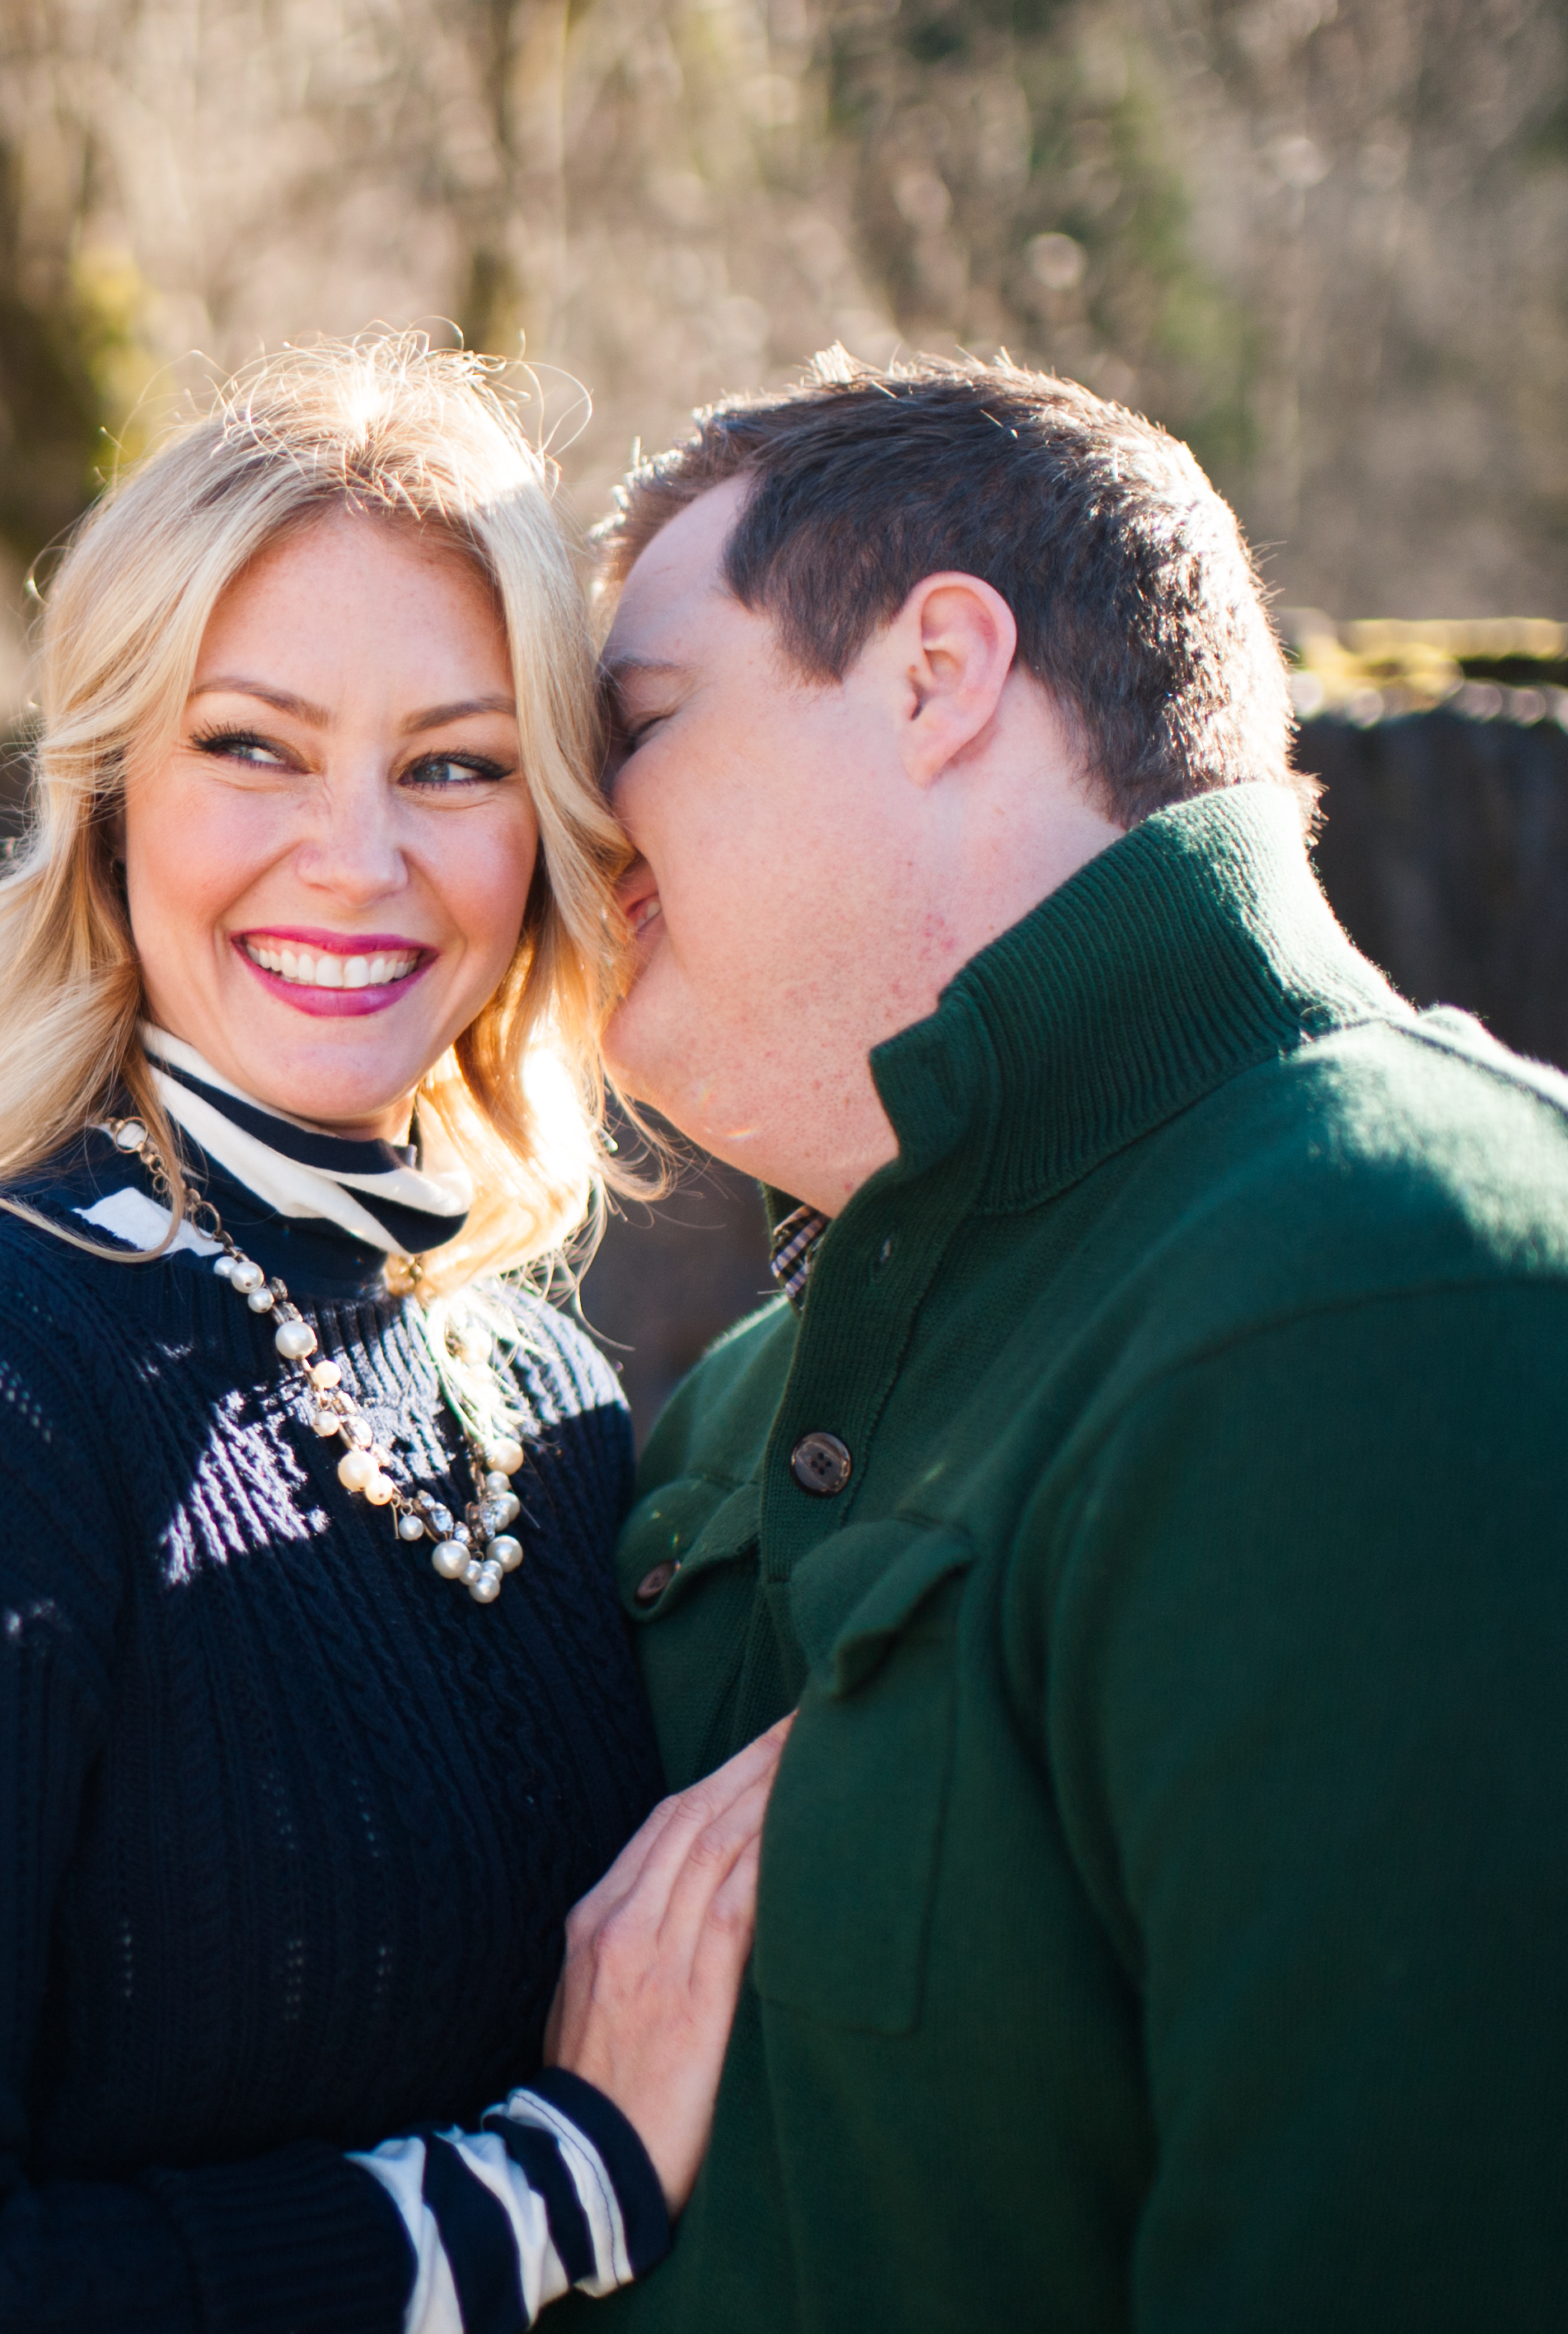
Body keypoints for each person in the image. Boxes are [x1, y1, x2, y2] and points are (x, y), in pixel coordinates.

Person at [0, 336, 783, 2334]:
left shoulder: (548, 1395)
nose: (354, 859)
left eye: (449, 763)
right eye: (252, 745)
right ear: (107, 797)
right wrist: (554, 2187)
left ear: (543, 827)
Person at [577, 353, 1568, 2332]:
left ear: (937, 669)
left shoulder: (1401, 1294)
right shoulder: (734, 1417)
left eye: (638, 723)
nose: (567, 814)